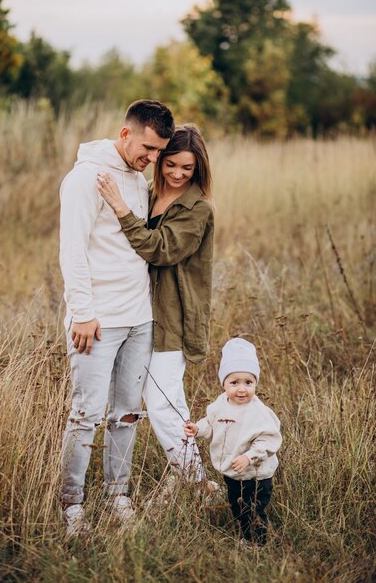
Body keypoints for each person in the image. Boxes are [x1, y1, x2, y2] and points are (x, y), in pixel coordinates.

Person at [59, 99, 175, 537]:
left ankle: (118, 494)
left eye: (159, 151)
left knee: (127, 413)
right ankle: (72, 506)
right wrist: (83, 313)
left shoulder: (137, 179)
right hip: (97, 321)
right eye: (147, 147)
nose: (152, 159)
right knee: (85, 414)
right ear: (126, 133)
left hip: (139, 318)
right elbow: (72, 249)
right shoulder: (86, 178)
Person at [97, 124, 214, 485]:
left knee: (162, 401)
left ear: (198, 170)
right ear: (159, 159)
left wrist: (119, 207)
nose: (178, 174)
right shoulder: (148, 193)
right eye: (171, 165)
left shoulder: (197, 209)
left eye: (188, 168)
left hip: (175, 318)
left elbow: (160, 250)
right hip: (139, 313)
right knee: (164, 400)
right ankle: (192, 478)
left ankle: (198, 485)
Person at [184, 338, 282, 546]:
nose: (241, 389)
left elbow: (269, 440)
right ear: (224, 383)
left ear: (256, 382)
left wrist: (249, 457)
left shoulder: (259, 412)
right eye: (234, 382)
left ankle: (257, 543)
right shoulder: (220, 404)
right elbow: (210, 423)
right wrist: (198, 429)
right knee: (237, 506)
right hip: (231, 471)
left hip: (255, 474)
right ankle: (247, 534)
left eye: (248, 382)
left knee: (253, 508)